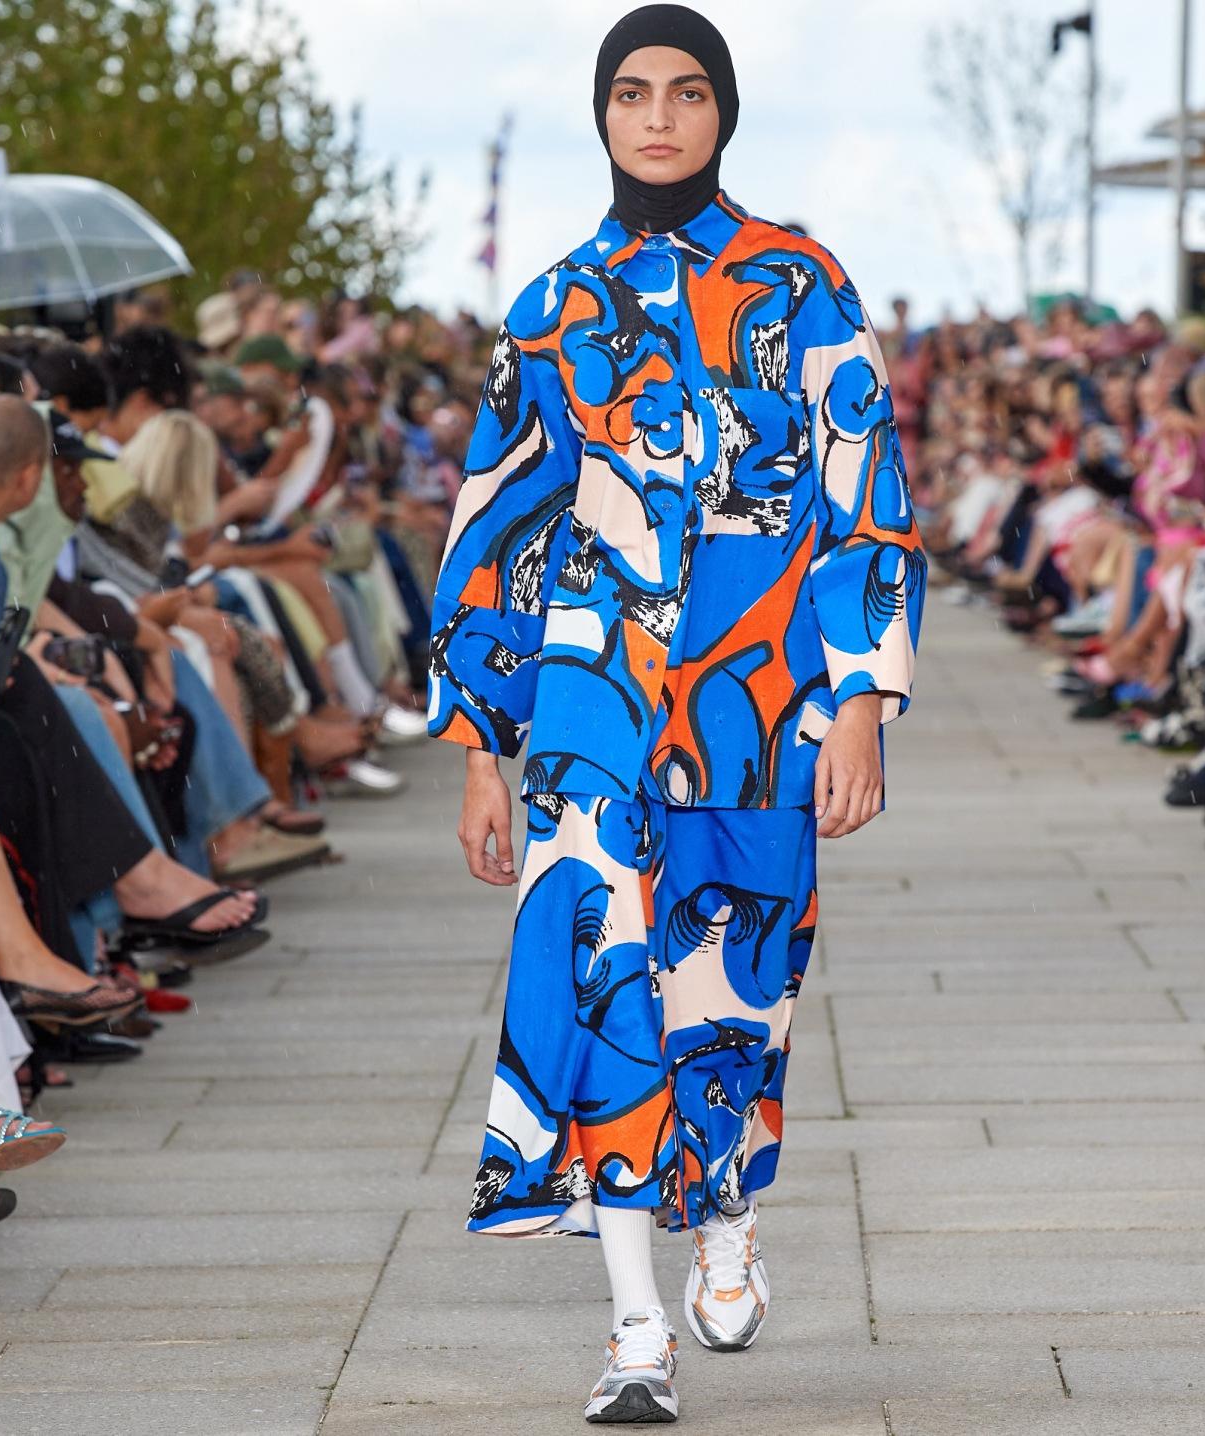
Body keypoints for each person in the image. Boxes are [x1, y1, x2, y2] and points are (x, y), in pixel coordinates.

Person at [426, 5, 926, 1423]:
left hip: (762, 706)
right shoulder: (553, 306)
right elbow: (494, 529)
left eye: (686, 91)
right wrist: (478, 741)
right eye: (632, 92)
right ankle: (635, 1329)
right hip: (591, 699)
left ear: (724, 112)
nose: (657, 116)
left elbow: (862, 502)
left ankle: (725, 1220)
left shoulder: (806, 283)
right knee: (593, 983)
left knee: (736, 995)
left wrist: (862, 703)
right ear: (603, 115)